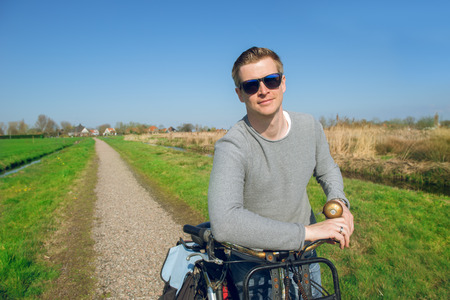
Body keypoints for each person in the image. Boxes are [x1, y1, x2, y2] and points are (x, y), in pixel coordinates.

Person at [208, 47, 354, 299]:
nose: (263, 90)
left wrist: (339, 201)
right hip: (255, 261)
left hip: (305, 256)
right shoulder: (232, 146)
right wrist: (308, 232)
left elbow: (327, 168)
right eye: (251, 85)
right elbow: (225, 222)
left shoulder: (310, 126)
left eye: (271, 80)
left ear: (283, 83)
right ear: (239, 94)